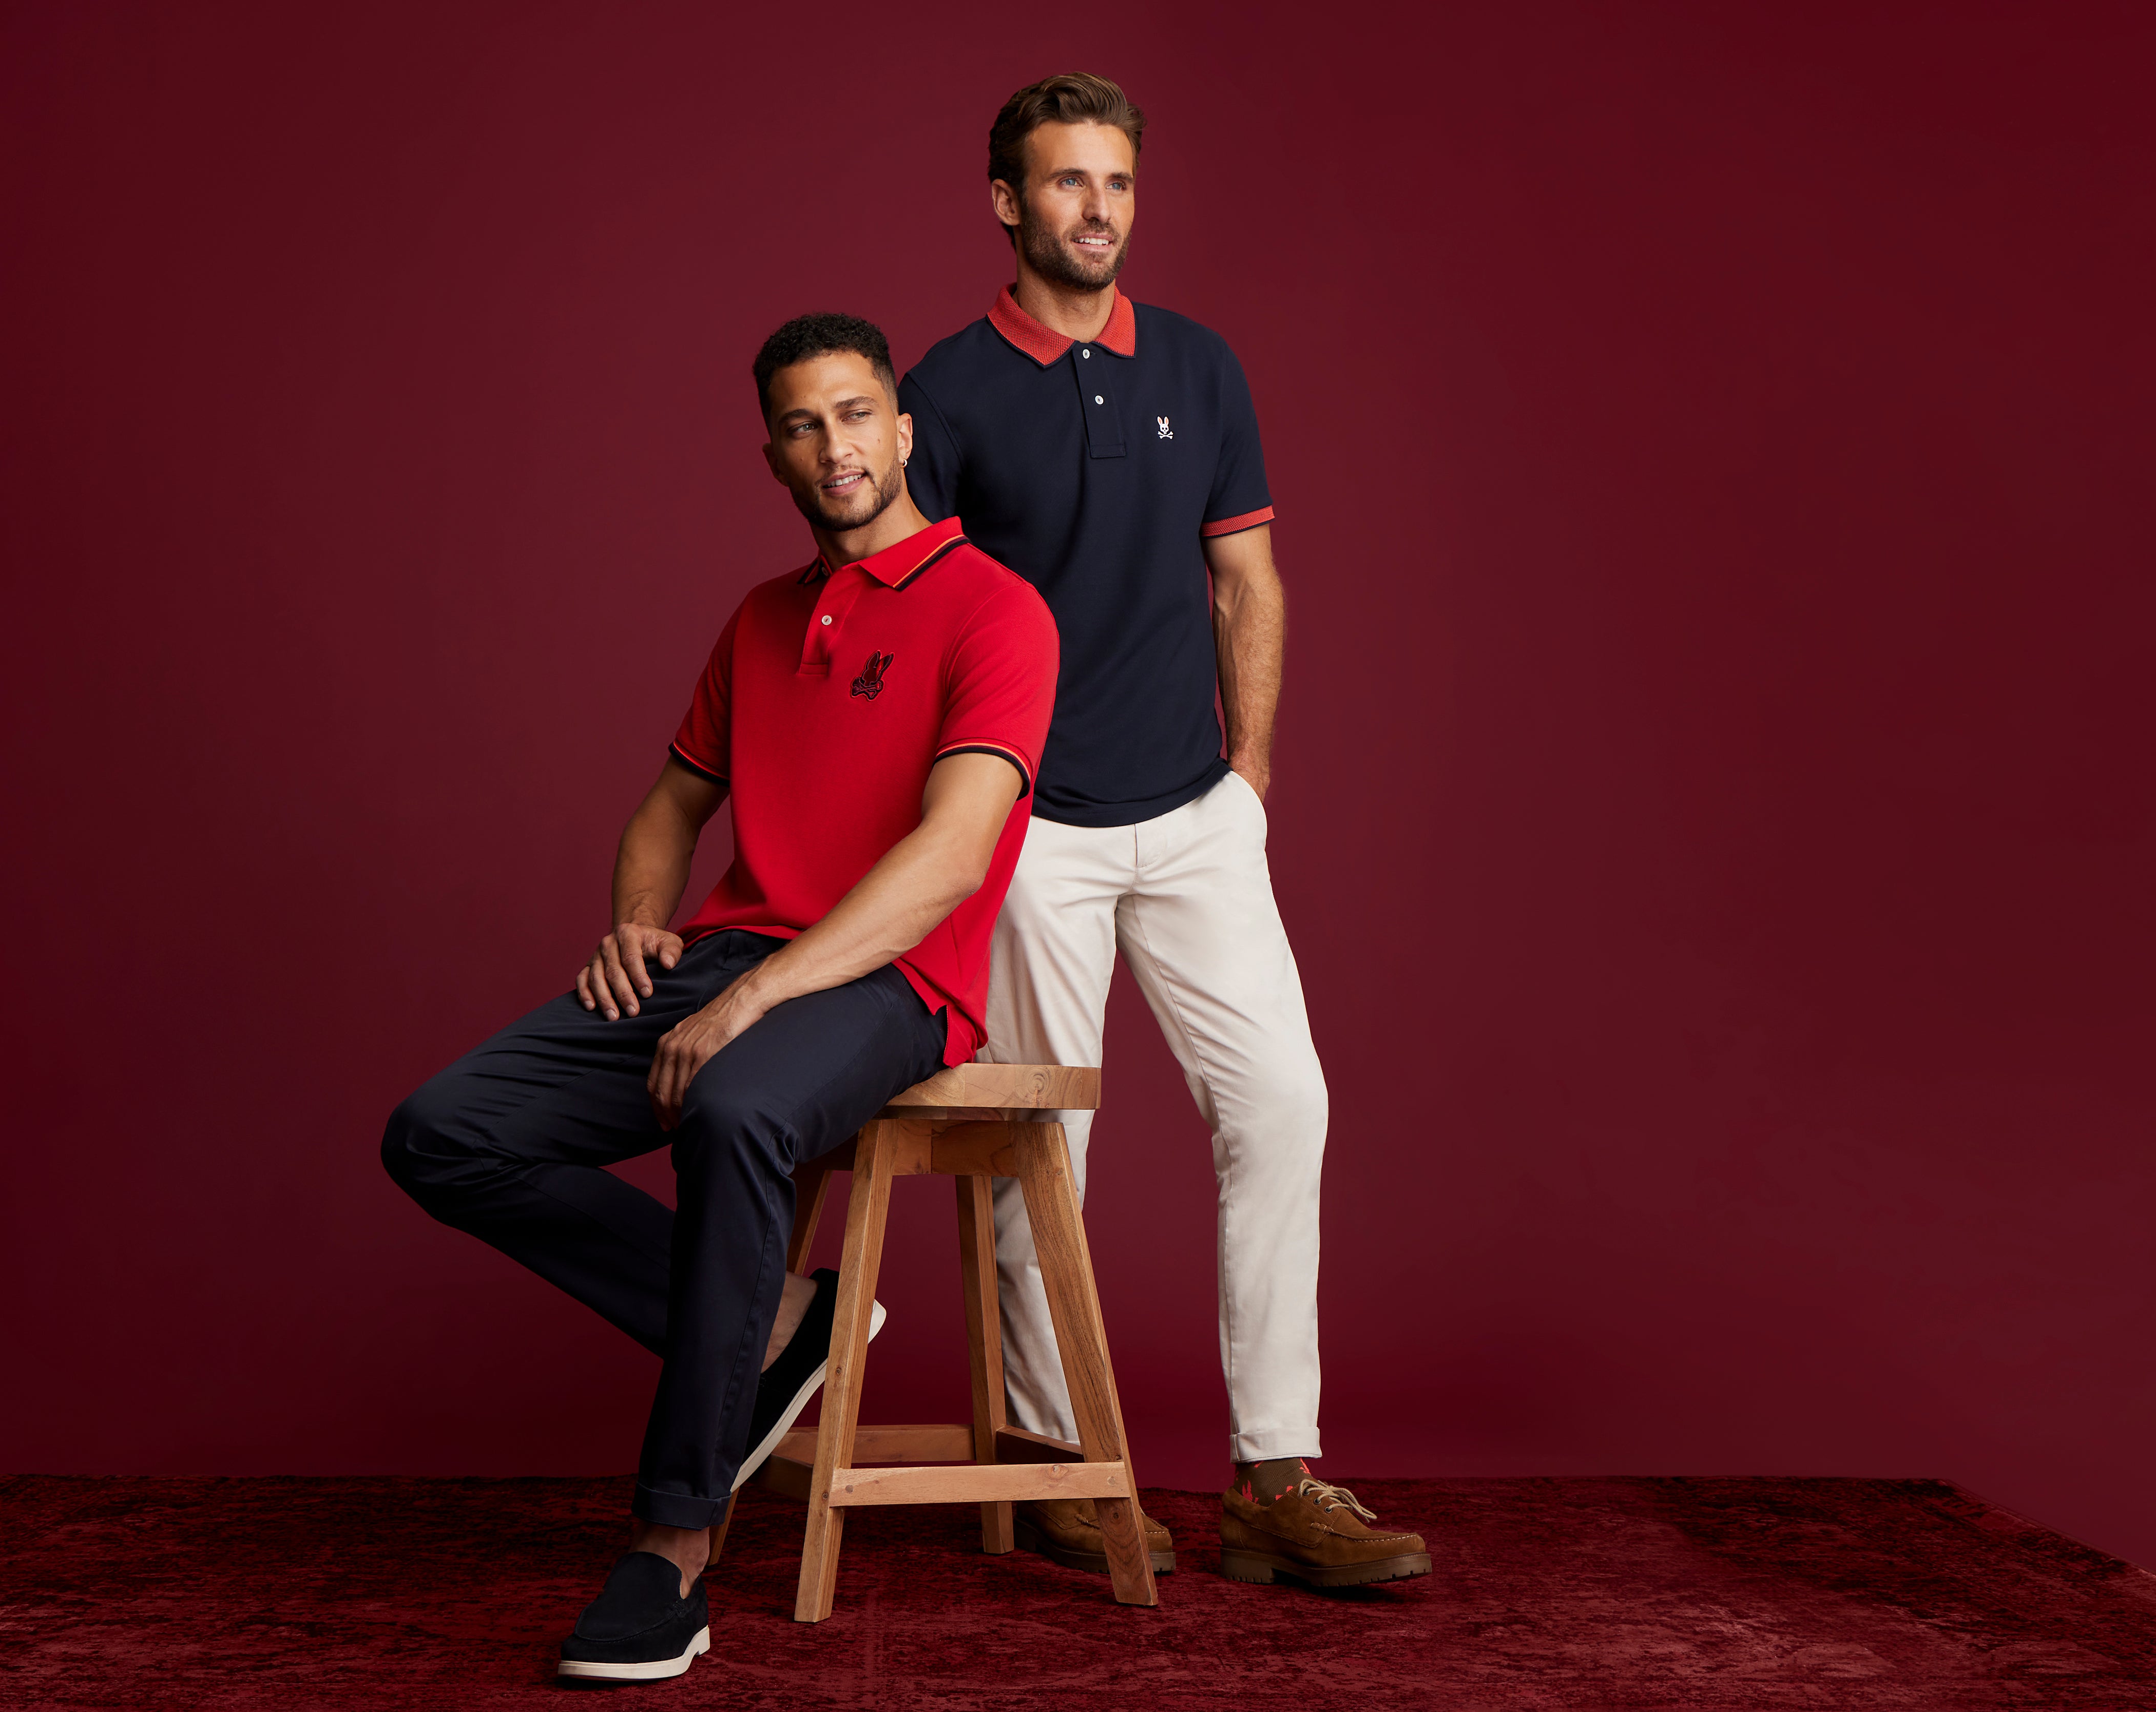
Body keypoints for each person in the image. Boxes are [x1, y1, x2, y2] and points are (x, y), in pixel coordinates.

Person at [380, 313, 1057, 1681]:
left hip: (890, 978)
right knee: (440, 1130)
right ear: (774, 456)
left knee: (735, 1112)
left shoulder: (998, 608)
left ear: (904, 427)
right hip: (723, 959)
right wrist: (640, 925)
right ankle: (777, 1331)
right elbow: (668, 809)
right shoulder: (758, 619)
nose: (837, 446)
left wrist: (754, 1005)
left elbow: (948, 861)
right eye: (805, 427)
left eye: (858, 414)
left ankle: (673, 1552)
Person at [900, 72, 1435, 1591]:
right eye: (1067, 184)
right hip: (1028, 831)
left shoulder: (1201, 368)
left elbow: (1247, 582)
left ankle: (1277, 1479)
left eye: (1118, 184)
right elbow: (920, 620)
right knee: (1039, 1153)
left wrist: (1247, 779)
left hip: (1194, 815)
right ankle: (1065, 1471)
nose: (1098, 211)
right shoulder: (943, 392)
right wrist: (963, 817)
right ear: (1007, 202)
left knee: (1283, 1107)